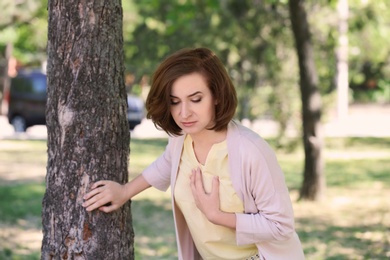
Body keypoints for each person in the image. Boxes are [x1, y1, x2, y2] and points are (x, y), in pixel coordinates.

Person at [83, 47, 305, 260]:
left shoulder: (251, 151)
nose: (184, 112)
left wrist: (217, 215)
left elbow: (281, 226)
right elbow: (167, 163)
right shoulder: (181, 140)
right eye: (175, 102)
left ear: (216, 95)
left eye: (196, 99)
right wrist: (125, 191)